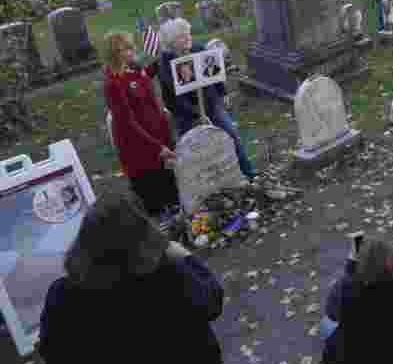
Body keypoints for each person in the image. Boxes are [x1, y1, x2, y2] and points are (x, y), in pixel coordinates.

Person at [38, 193, 224, 364]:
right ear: (144, 236)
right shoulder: (169, 278)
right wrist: (185, 257)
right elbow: (213, 302)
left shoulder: (62, 295)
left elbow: (51, 351)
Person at [157, 18, 256, 180]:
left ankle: (248, 174)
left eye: (188, 33)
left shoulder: (198, 49)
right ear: (171, 42)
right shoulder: (166, 63)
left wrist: (222, 93)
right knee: (194, 150)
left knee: (231, 136)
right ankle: (208, 184)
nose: (188, 38)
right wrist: (196, 115)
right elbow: (175, 97)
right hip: (185, 113)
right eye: (182, 36)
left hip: (211, 103)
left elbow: (214, 72)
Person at [322, 237, 393, 363]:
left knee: (327, 324)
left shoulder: (349, 289)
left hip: (356, 351)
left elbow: (332, 312)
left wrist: (351, 264)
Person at [102, 31, 178, 217]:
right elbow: (127, 122)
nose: (129, 53)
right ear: (113, 55)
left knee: (173, 190)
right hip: (139, 145)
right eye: (122, 50)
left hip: (158, 135)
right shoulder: (113, 83)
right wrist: (156, 146)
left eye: (129, 48)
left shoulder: (135, 69)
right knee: (154, 197)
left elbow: (145, 83)